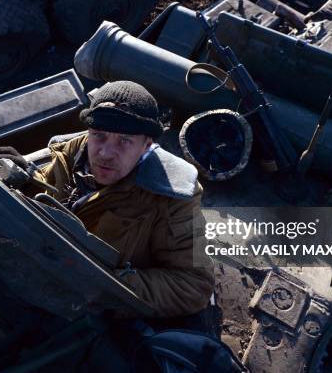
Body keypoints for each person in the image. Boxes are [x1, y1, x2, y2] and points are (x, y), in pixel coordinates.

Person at [35, 80, 215, 320]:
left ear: (146, 145)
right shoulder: (72, 151)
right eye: (99, 135)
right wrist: (22, 180)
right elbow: (42, 191)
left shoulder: (173, 198)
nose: (106, 153)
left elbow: (193, 286)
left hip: (91, 310)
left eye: (124, 140)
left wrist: (106, 283)